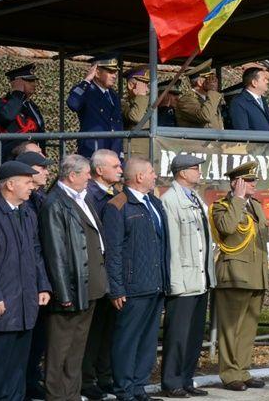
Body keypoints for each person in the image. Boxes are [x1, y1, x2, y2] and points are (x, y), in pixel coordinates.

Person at [39, 154, 108, 401]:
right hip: (70, 287)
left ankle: (71, 394)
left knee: (77, 347)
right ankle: (56, 395)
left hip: (89, 285)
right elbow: (55, 252)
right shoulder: (55, 203)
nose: (90, 177)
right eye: (87, 173)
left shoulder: (82, 197)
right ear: (72, 175)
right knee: (60, 347)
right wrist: (63, 292)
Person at [103, 157, 169, 401]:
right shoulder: (118, 206)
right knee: (127, 341)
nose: (155, 176)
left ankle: (140, 388)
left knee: (147, 341)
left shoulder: (154, 203)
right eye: (151, 172)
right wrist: (117, 288)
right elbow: (113, 251)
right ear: (140, 176)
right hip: (132, 287)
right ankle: (125, 390)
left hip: (155, 284)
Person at [0, 161, 51, 401]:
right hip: (1, 308)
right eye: (27, 182)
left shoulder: (26, 212)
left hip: (25, 306)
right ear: (10, 185)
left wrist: (42, 285)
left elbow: (35, 252)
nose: (32, 186)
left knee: (18, 370)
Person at [209, 162, 269, 391]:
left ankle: (242, 370)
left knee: (247, 329)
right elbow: (227, 228)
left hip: (255, 275)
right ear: (236, 183)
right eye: (249, 181)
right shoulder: (222, 206)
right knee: (230, 329)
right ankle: (229, 373)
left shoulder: (256, 206)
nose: (254, 184)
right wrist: (238, 199)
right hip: (234, 275)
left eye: (254, 180)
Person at [160, 155, 216, 397]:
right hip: (183, 280)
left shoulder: (195, 198)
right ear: (182, 172)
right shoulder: (170, 200)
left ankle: (186, 379)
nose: (199, 172)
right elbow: (172, 246)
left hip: (200, 279)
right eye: (195, 168)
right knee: (178, 335)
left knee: (193, 335)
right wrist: (175, 283)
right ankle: (172, 382)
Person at [82, 149, 123, 400]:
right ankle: (87, 379)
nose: (120, 170)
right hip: (96, 272)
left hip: (112, 271)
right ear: (99, 170)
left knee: (109, 328)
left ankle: (104, 375)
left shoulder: (114, 194)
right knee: (93, 330)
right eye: (115, 166)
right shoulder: (89, 196)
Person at [15, 150, 54, 399]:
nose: (47, 172)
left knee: (38, 338)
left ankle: (30, 380)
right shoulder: (23, 203)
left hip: (41, 279)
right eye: (42, 168)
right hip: (26, 283)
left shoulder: (39, 198)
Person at [66, 57, 124, 159]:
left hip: (113, 151)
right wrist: (86, 80)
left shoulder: (113, 95)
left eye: (115, 72)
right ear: (97, 73)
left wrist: (119, 151)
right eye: (110, 72)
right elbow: (73, 103)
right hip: (93, 151)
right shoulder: (87, 91)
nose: (114, 76)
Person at [0, 63, 46, 162]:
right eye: (29, 81)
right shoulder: (2, 104)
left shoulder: (31, 105)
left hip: (35, 157)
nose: (34, 84)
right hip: (14, 158)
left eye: (34, 81)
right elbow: (8, 116)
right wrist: (18, 92)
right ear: (17, 82)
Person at [175, 60, 224, 130]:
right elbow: (205, 116)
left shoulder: (208, 98)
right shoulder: (186, 100)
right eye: (210, 79)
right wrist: (212, 90)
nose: (214, 82)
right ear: (200, 82)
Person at [229, 66, 269, 131]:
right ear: (254, 83)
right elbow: (242, 131)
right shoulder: (239, 102)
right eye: (264, 79)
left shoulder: (263, 100)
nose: (267, 81)